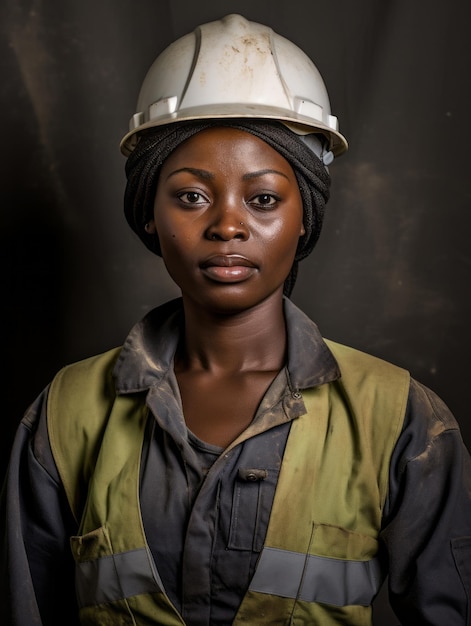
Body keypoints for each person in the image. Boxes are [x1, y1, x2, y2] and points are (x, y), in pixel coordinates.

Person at [1, 13, 470, 626]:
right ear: (149, 212)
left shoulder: (403, 422)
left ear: (306, 217)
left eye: (264, 199)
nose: (227, 225)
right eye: (192, 196)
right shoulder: (64, 416)